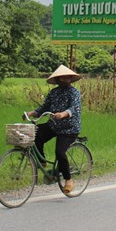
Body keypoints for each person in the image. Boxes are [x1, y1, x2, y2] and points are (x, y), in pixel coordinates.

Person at [25, 64, 82, 193]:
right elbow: (45, 107)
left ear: (71, 78)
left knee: (60, 152)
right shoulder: (54, 92)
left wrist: (64, 114)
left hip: (69, 128)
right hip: (54, 125)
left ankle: (68, 180)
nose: (65, 79)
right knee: (35, 133)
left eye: (68, 77)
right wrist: (32, 113)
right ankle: (42, 161)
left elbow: (74, 108)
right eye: (63, 77)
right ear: (57, 79)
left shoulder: (74, 93)